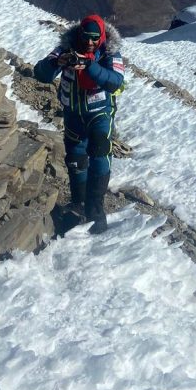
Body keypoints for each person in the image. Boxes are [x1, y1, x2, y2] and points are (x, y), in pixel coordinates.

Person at [34, 14, 124, 234]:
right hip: (73, 113)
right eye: (86, 37)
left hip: (99, 113)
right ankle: (78, 203)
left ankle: (95, 209)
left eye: (95, 38)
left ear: (102, 36)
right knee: (75, 157)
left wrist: (89, 66)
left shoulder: (110, 53)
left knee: (100, 152)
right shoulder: (66, 48)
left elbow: (116, 82)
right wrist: (56, 62)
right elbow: (41, 74)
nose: (90, 42)